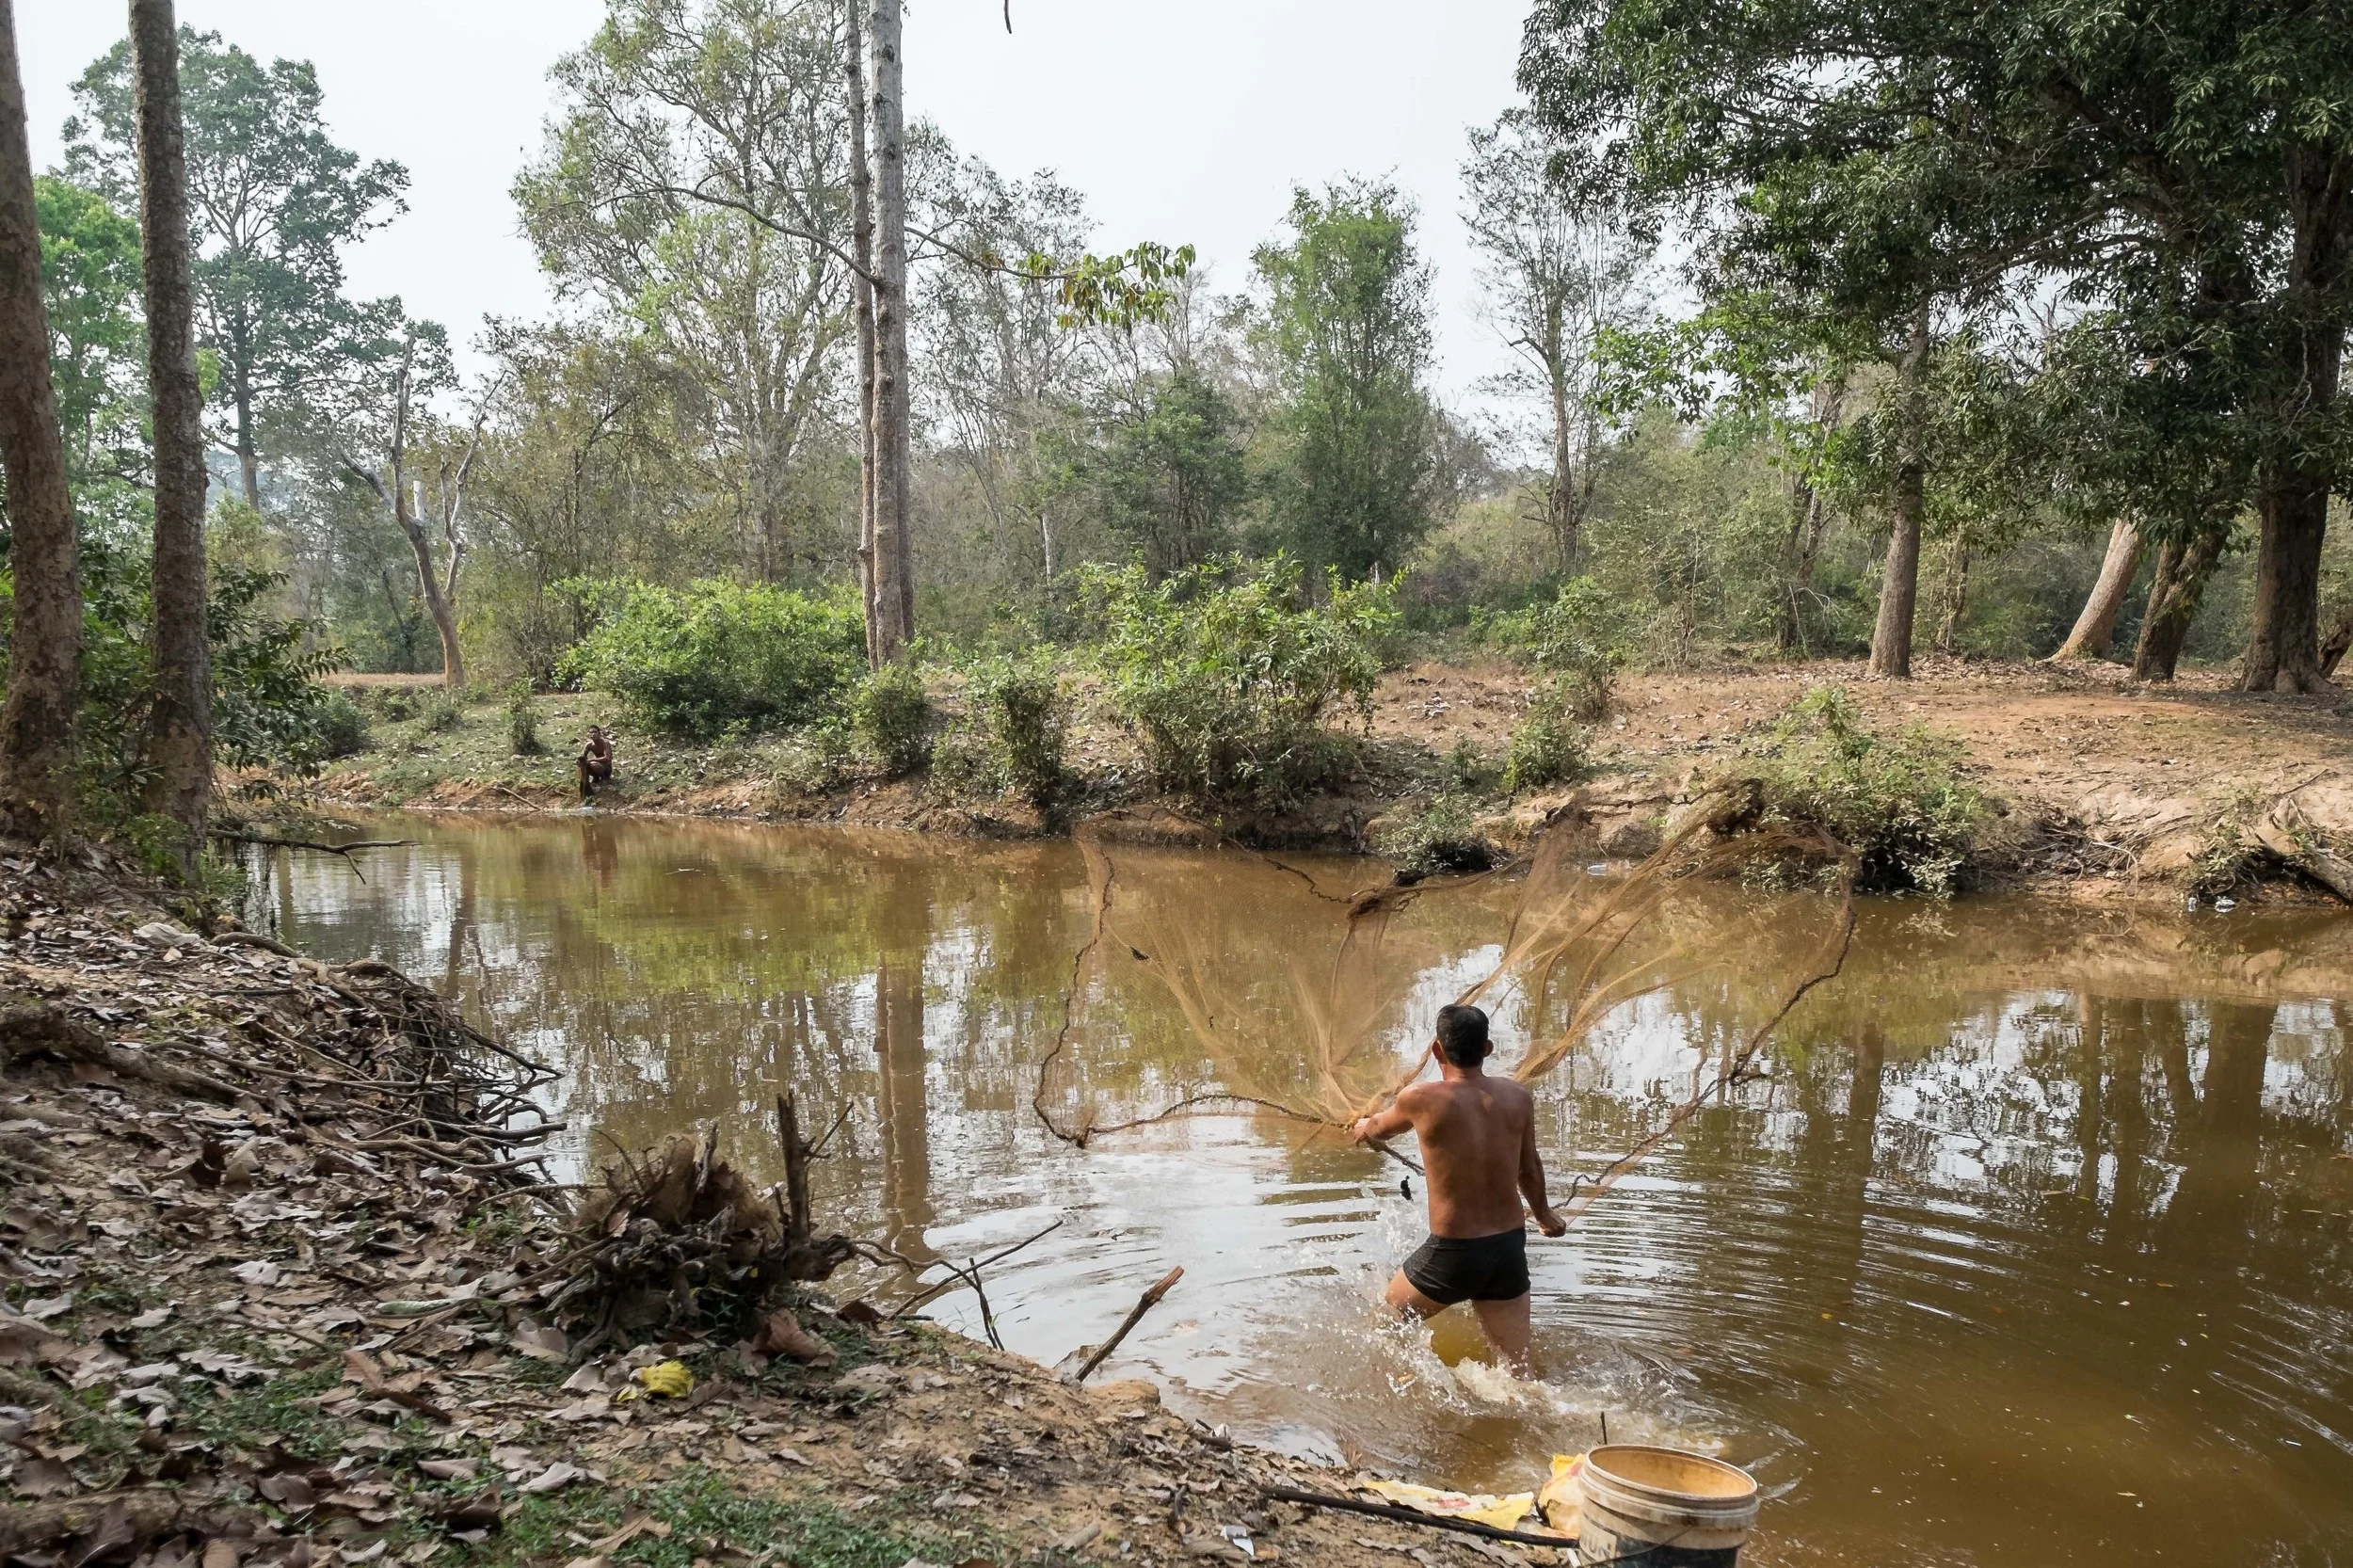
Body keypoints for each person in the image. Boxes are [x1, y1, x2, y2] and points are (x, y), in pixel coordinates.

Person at [1353, 1002, 1567, 1376]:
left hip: (1453, 1253)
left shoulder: (1420, 1098)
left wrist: (1362, 1127)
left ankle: (1401, 1392)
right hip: (1507, 1249)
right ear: (1487, 1049)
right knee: (1518, 1371)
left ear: (1437, 1050)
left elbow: (1377, 1129)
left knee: (1385, 1320)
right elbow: (1529, 1167)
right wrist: (1545, 1215)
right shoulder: (1517, 1097)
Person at [577, 726, 615, 802]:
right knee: (584, 765)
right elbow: (583, 757)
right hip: (596, 767)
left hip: (606, 768)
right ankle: (594, 779)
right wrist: (579, 761)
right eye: (591, 732)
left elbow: (608, 758)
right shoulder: (589, 745)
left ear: (599, 733)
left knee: (593, 764)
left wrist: (591, 760)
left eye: (595, 732)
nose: (593, 734)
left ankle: (605, 778)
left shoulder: (605, 743)